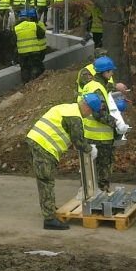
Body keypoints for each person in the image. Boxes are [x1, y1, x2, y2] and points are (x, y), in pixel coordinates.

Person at [26, 93, 103, 230]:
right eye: (91, 112)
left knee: (45, 180)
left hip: (36, 141)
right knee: (46, 180)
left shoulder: (68, 108)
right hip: (44, 146)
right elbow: (78, 141)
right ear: (87, 107)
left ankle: (48, 207)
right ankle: (49, 219)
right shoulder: (74, 117)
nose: (89, 115)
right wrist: (90, 149)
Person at [79, 58, 122, 192]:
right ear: (106, 72)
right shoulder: (98, 88)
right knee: (103, 168)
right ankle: (103, 195)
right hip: (101, 137)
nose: (112, 74)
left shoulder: (90, 85)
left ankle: (89, 193)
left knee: (89, 168)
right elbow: (99, 114)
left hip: (89, 133)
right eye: (111, 71)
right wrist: (117, 123)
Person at [14, 8, 46, 84]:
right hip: (34, 52)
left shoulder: (16, 28)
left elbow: (13, 41)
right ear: (28, 18)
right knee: (37, 67)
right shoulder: (33, 25)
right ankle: (37, 84)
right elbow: (41, 35)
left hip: (22, 53)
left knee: (25, 69)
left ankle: (26, 85)